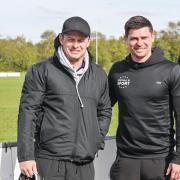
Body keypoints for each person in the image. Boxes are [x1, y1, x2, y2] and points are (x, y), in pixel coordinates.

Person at [17, 16, 112, 180]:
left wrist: (96, 140)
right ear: (61, 39)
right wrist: (25, 156)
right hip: (49, 161)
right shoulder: (41, 70)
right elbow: (28, 113)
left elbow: (104, 111)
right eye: (71, 40)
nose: (76, 45)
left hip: (84, 164)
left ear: (88, 41)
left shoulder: (99, 74)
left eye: (81, 40)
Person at [108, 15, 180, 180]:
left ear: (152, 37)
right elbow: (101, 107)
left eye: (144, 37)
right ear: (125, 40)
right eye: (133, 38)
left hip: (161, 159)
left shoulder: (172, 70)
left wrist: (178, 157)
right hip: (126, 159)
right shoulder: (117, 70)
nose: (139, 43)